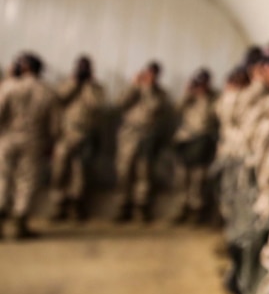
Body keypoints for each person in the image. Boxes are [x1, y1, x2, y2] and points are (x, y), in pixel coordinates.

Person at [0, 53, 59, 239]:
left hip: (8, 139)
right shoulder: (47, 90)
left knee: (3, 178)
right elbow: (55, 124)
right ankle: (20, 225)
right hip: (34, 141)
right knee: (26, 181)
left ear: (23, 67)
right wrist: (51, 143)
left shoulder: (8, 86)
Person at [114, 61, 172, 222]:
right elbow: (119, 103)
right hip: (128, 136)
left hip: (147, 136)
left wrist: (147, 88)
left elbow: (154, 107)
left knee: (144, 173)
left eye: (153, 74)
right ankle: (123, 205)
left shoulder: (160, 93)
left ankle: (141, 207)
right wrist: (134, 86)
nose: (149, 77)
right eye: (148, 73)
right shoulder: (133, 89)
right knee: (124, 171)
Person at [50, 55, 105, 222]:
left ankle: (76, 206)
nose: (82, 71)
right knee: (59, 171)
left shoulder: (96, 88)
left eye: (85, 68)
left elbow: (95, 105)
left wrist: (88, 85)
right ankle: (59, 205)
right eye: (80, 67)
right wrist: (74, 83)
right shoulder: (67, 84)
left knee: (80, 173)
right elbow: (59, 98)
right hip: (65, 135)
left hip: (85, 136)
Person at [171, 68, 219, 225]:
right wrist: (188, 94)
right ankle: (181, 208)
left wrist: (203, 97)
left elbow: (210, 117)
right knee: (181, 178)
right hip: (186, 142)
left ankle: (196, 210)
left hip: (202, 143)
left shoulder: (213, 98)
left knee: (198, 179)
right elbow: (176, 109)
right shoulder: (189, 98)